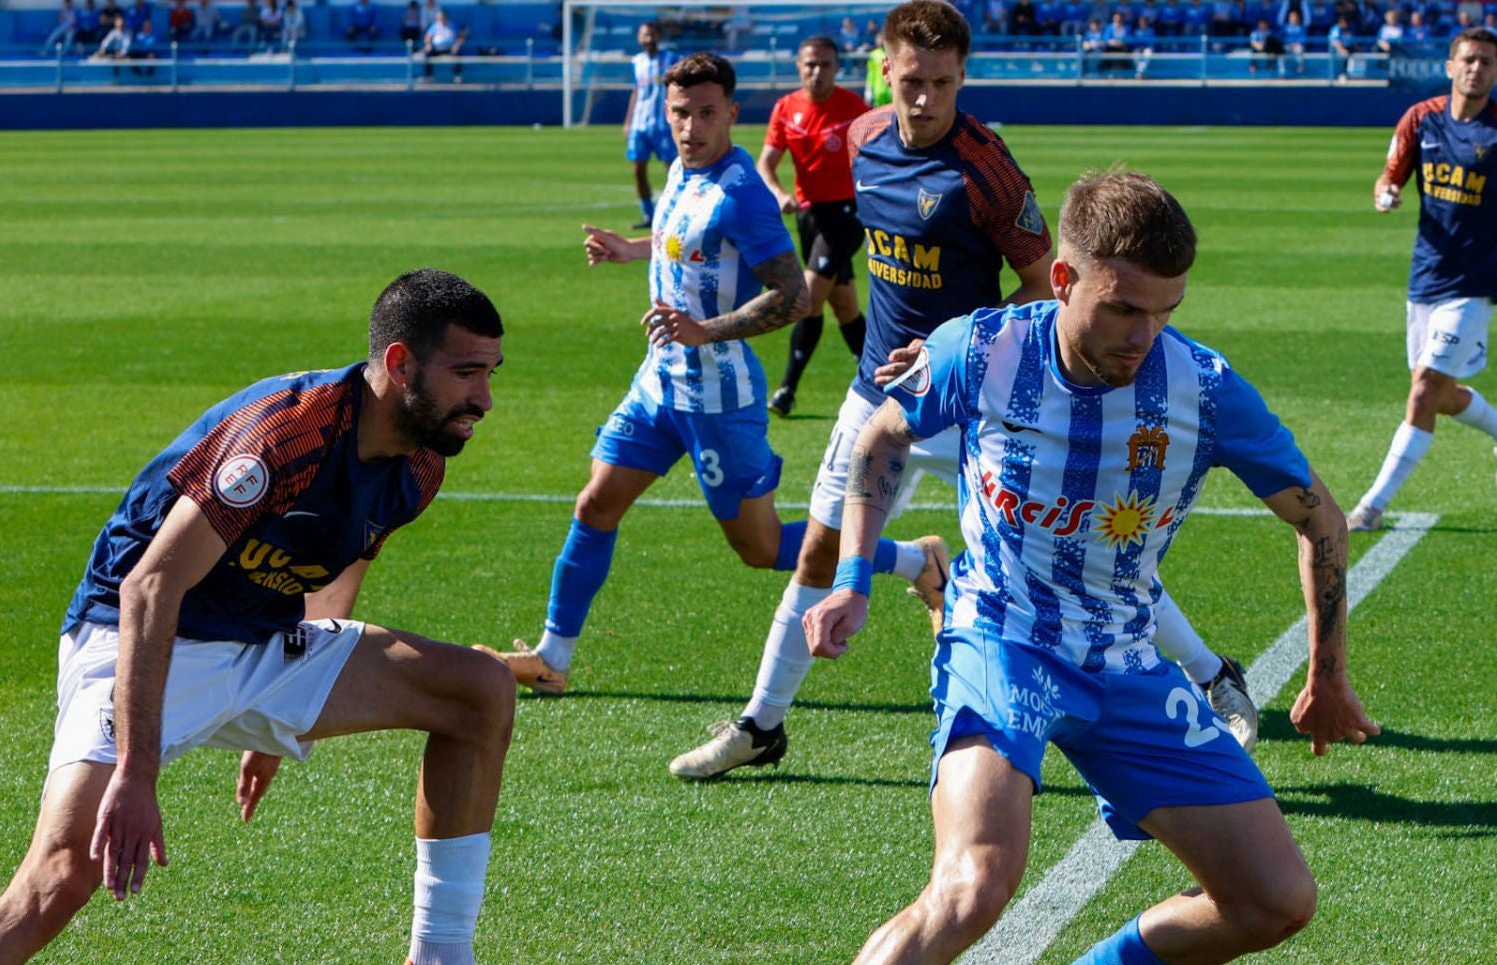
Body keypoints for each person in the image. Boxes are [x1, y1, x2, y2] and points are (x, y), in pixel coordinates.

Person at [719, 169, 1379, 965]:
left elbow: (1320, 519)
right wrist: (851, 575)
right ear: (1065, 277)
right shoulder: (984, 348)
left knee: (1273, 899)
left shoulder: (1203, 389)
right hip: (1002, 637)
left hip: (1122, 659)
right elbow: (881, 437)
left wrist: (1331, 673)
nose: (1143, 334)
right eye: (1123, 307)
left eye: (1165, 310)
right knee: (976, 881)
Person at [0, 270, 567, 965]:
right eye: (466, 373)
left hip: (259, 639)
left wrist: (291, 704)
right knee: (62, 873)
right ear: (399, 362)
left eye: (491, 374)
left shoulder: (421, 462)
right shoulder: (286, 434)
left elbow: (334, 567)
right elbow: (152, 583)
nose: (484, 399)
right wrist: (137, 771)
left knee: (479, 688)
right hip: (141, 634)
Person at [668, 0, 1263, 782]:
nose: (925, 98)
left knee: (1070, 557)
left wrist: (963, 347)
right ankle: (761, 723)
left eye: (943, 83)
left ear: (961, 77)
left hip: (980, 395)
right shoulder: (862, 139)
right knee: (818, 548)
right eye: (912, 80)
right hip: (879, 387)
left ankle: (1212, 672)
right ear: (885, 69)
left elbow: (1044, 285)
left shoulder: (985, 168)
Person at [479, 54, 813, 697]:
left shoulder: (740, 193)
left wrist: (704, 330)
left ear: (732, 114)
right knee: (596, 502)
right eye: (681, 113)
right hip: (659, 384)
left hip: (718, 394)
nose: (692, 127)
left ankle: (912, 558)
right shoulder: (682, 173)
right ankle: (553, 656)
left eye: (707, 113)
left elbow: (795, 297)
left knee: (760, 547)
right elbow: (686, 245)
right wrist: (629, 249)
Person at [1349, 27, 1497, 531]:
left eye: (1487, 62)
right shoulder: (1420, 119)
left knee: (1423, 391)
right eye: (1468, 59)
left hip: (1475, 282)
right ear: (1450, 67)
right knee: (1438, 395)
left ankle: (1371, 507)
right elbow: (1390, 175)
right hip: (1425, 276)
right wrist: (1385, 193)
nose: (1477, 68)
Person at [757, 34, 871, 419]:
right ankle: (881, 378)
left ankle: (787, 388)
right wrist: (777, 194)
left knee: (807, 298)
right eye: (810, 64)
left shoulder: (854, 108)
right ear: (798, 67)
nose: (817, 71)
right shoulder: (786, 108)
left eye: (824, 64)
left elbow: (879, 160)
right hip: (809, 217)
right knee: (844, 305)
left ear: (837, 68)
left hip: (847, 215)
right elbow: (766, 163)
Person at [624, 21, 678, 228]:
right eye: (645, 34)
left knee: (673, 170)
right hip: (640, 124)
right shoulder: (637, 62)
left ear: (659, 36)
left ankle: (674, 212)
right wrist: (628, 121)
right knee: (638, 169)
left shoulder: (671, 59)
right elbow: (636, 91)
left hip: (663, 125)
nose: (649, 38)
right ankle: (648, 214)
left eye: (653, 34)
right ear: (639, 37)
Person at [422, 5, 462, 80]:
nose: (440, 19)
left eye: (441, 17)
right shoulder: (435, 26)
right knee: (427, 53)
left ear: (445, 17)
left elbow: (461, 35)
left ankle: (457, 76)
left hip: (450, 48)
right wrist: (428, 44)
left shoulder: (452, 25)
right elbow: (427, 37)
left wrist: (457, 44)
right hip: (437, 48)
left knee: (457, 53)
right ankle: (429, 75)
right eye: (438, 18)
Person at [863, 30, 892, 103]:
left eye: (882, 38)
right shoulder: (873, 55)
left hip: (891, 91)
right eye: (878, 38)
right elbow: (870, 73)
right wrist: (868, 88)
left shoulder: (892, 53)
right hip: (878, 90)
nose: (880, 40)